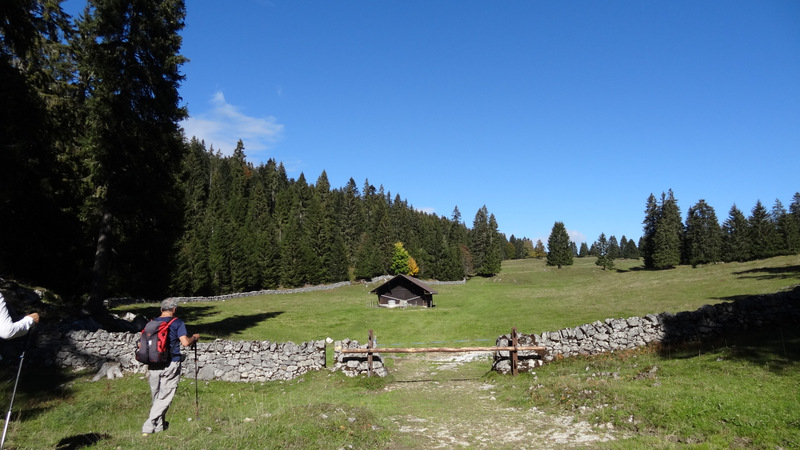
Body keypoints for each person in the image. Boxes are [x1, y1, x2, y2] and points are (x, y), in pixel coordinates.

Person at [141, 298, 199, 436]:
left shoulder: (151, 323)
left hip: (153, 363)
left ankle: (159, 427)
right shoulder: (177, 322)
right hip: (171, 362)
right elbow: (185, 343)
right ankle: (148, 426)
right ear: (174, 310)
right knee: (165, 397)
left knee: (157, 397)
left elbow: (141, 344)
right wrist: (195, 338)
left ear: (161, 309)